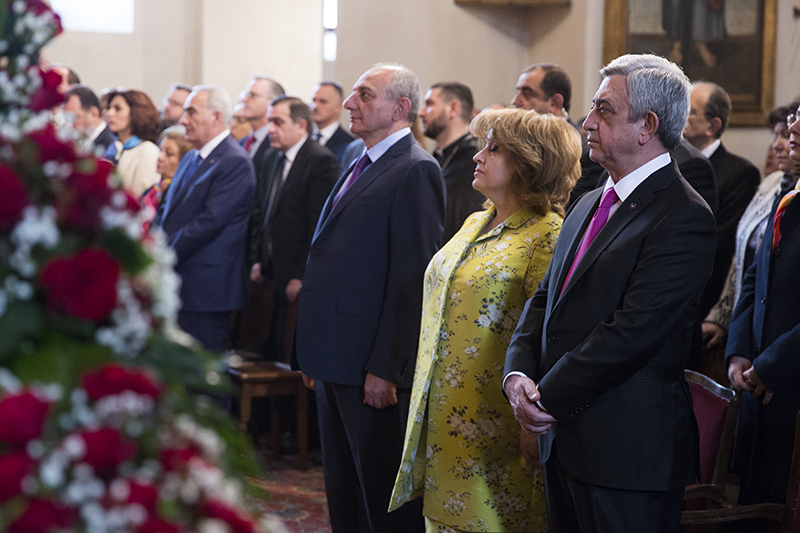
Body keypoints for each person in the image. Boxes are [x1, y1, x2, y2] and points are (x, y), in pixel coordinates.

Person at [503, 54, 716, 533]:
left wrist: (543, 398)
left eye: (604, 110)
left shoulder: (683, 214)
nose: (587, 122)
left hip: (626, 452)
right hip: (565, 438)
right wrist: (517, 373)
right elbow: (545, 299)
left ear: (647, 126)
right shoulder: (588, 202)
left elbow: (633, 332)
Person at [390, 108, 581, 532]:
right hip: (445, 412)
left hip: (497, 420)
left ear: (531, 163)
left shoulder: (547, 235)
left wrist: (534, 418)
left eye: (494, 149)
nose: (478, 156)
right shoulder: (476, 221)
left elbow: (548, 337)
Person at [291, 64, 445, 533]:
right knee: (343, 492)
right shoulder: (359, 160)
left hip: (368, 365)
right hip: (336, 353)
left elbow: (410, 279)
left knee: (379, 500)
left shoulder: (416, 168)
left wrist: (386, 367)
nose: (349, 103)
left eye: (364, 94)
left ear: (400, 108)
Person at [725, 104, 800, 521]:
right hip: (758, 379)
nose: (792, 128)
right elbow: (755, 275)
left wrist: (772, 365)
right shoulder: (787, 193)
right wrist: (739, 349)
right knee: (748, 502)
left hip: (789, 381)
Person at [151, 85, 255, 352]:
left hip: (205, 293)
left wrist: (161, 254)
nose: (183, 120)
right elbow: (165, 210)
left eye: (191, 112)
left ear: (216, 116)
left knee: (200, 372)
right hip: (177, 284)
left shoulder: (235, 162)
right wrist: (149, 245)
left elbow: (209, 222)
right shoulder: (190, 157)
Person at [250, 96, 339, 360]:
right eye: (269, 122)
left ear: (301, 125)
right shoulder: (271, 157)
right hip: (270, 272)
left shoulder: (321, 161)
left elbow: (318, 226)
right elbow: (262, 213)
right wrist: (258, 258)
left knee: (286, 353)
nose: (271, 129)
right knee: (263, 349)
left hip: (296, 275)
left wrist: (301, 274)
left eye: (278, 122)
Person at [703, 103, 797, 350]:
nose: (777, 145)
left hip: (782, 335)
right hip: (748, 326)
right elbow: (743, 257)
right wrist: (722, 318)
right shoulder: (771, 184)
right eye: (776, 135)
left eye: (786, 135)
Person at [685, 82, 760, 325]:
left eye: (691, 111)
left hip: (703, 298)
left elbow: (721, 242)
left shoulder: (740, 173)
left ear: (713, 125)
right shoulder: (669, 161)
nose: (681, 114)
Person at [419, 81, 485, 242]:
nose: (421, 113)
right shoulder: (435, 157)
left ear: (453, 109)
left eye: (429, 104)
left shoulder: (476, 160)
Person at [103, 88, 161, 197]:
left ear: (136, 112)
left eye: (118, 108)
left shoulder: (148, 151)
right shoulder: (117, 148)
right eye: (109, 108)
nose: (110, 113)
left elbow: (139, 196)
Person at [141, 125, 193, 233]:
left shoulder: (179, 197)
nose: (160, 157)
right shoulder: (154, 189)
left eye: (169, 154)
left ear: (184, 161)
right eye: (161, 150)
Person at [63, 85, 116, 154]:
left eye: (74, 118)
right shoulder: (81, 143)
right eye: (67, 119)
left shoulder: (111, 146)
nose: (71, 125)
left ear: (94, 114)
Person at [310, 81, 354, 162]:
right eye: (314, 100)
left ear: (338, 107)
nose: (315, 106)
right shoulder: (304, 137)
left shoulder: (348, 144)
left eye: (323, 101)